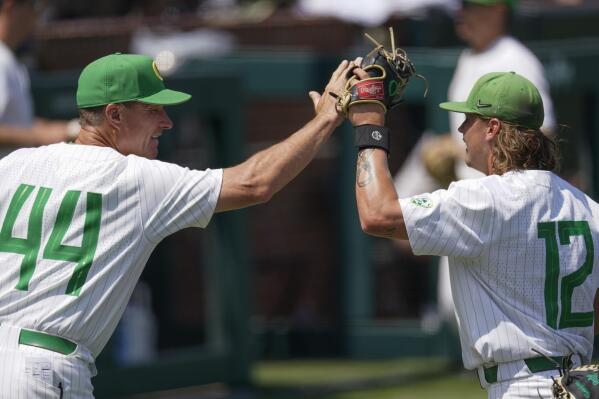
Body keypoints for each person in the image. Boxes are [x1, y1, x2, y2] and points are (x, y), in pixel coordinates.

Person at [0, 52, 357, 397]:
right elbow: (254, 183)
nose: (167, 122)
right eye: (153, 110)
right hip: (41, 370)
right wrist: (326, 117)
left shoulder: (15, 164)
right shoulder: (134, 179)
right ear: (115, 114)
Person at [351, 70, 598, 398]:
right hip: (578, 386)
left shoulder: (485, 199)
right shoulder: (589, 208)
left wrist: (370, 127)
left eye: (470, 119)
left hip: (520, 386)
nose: (461, 129)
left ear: (492, 129)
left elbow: (377, 214)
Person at [392, 0, 556, 326]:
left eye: (473, 7)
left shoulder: (517, 59)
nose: (462, 13)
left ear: (499, 10)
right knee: (454, 308)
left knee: (469, 312)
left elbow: (543, 131)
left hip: (501, 204)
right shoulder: (469, 56)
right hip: (472, 197)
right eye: (462, 6)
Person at [0, 0, 78, 158]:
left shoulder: (8, 58)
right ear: (11, 6)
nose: (37, 14)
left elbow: (19, 122)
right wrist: (39, 137)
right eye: (33, 6)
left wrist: (68, 129)